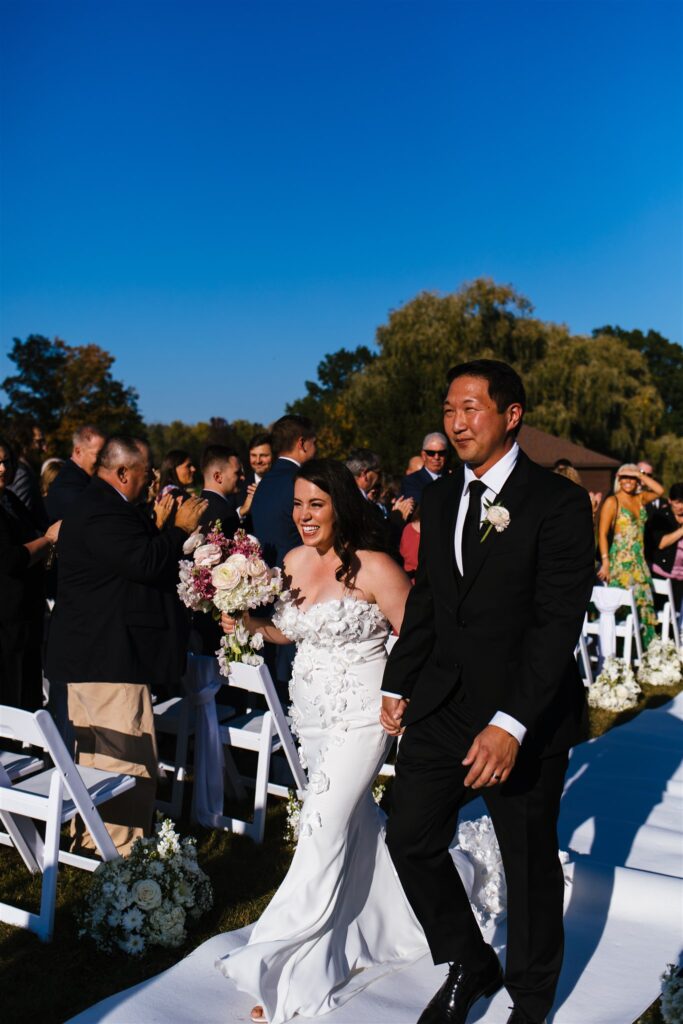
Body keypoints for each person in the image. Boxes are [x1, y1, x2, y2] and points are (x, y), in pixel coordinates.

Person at [381, 359, 595, 1024]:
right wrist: (399, 679)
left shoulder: (556, 504)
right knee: (408, 832)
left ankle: (529, 1003)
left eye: (470, 408)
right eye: (449, 409)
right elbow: (429, 604)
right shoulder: (441, 496)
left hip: (523, 714)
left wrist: (509, 724)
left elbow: (555, 623)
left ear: (510, 415)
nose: (455, 421)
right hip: (445, 704)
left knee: (526, 861)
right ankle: (468, 960)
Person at [216, 459, 427, 1024]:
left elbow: (417, 637)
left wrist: (400, 694)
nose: (303, 516)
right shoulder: (290, 561)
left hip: (363, 716)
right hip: (309, 715)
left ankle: (286, 968)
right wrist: (248, 623)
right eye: (297, 505)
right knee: (351, 824)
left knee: (322, 825)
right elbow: (291, 629)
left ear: (341, 505)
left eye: (316, 504)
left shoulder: (376, 567)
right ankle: (399, 918)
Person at [46, 436, 207, 855]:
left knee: (97, 756)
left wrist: (155, 526)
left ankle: (91, 838)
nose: (152, 477)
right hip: (108, 655)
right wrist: (178, 531)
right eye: (146, 470)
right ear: (122, 472)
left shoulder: (101, 504)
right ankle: (122, 852)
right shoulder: (103, 510)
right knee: (125, 758)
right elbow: (145, 562)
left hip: (92, 653)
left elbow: (125, 558)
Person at [250, 415, 317, 691]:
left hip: (269, 588)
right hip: (301, 589)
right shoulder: (300, 482)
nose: (317, 449)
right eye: (315, 443)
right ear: (302, 443)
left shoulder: (264, 484)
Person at [0, 437, 61, 710]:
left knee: (28, 699)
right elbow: (9, 559)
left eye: (6, 462)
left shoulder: (10, 498)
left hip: (25, 619)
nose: (2, 469)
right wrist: (47, 540)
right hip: (5, 625)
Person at [597, 463, 664, 649]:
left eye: (632, 478)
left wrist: (640, 475)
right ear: (618, 479)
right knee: (621, 609)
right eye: (624, 477)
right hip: (620, 563)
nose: (628, 481)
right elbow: (602, 534)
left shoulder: (640, 498)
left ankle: (645, 654)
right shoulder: (613, 501)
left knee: (644, 608)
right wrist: (605, 562)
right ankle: (616, 657)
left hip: (639, 563)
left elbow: (660, 490)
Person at [45, 425, 106, 522]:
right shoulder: (69, 487)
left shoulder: (81, 478)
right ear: (78, 452)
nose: (104, 461)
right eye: (99, 455)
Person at [648, 482, 683, 629]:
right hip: (662, 573)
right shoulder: (661, 516)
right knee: (661, 618)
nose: (681, 506)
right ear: (670, 500)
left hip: (681, 577)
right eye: (677, 502)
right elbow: (662, 543)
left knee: (677, 618)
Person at [400, 432, 448, 504]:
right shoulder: (411, 481)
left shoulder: (453, 478)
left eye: (441, 453)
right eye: (431, 453)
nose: (436, 457)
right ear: (423, 455)